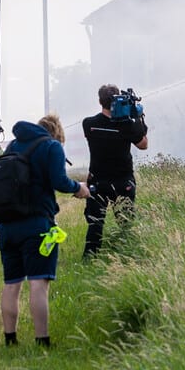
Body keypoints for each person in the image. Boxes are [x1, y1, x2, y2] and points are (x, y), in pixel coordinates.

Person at [0, 113, 89, 347]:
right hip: (37, 224)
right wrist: (78, 188)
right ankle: (42, 341)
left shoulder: (13, 145)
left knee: (11, 283)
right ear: (58, 133)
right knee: (38, 282)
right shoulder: (52, 147)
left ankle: (10, 339)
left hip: (7, 225)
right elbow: (59, 181)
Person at [81, 83, 148, 259]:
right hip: (123, 181)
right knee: (125, 223)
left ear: (99, 101)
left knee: (95, 224)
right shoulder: (127, 125)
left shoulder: (89, 124)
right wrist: (138, 117)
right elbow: (143, 144)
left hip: (98, 182)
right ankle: (128, 257)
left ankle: (90, 259)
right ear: (119, 100)